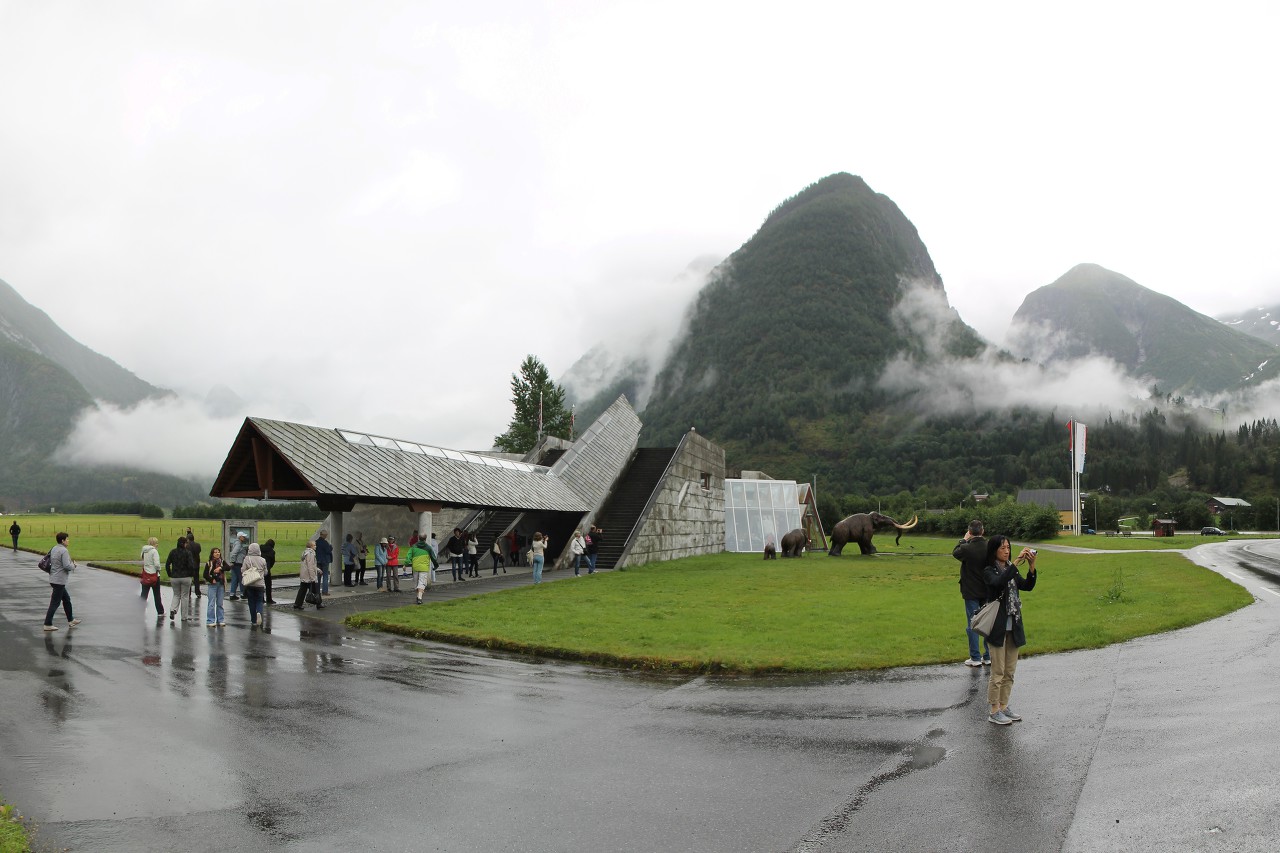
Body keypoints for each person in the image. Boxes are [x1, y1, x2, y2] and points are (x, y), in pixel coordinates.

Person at [983, 535, 1038, 726]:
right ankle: (994, 710)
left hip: (1013, 625)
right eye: (1002, 548)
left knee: (1009, 671)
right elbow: (998, 583)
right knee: (997, 672)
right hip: (996, 627)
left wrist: (1031, 567)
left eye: (1008, 547)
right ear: (994, 551)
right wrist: (1014, 564)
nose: (1006, 551)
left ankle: (1004, 706)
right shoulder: (989, 570)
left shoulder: (1010, 570)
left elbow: (1027, 586)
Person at [952, 519, 990, 667]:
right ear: (982, 531)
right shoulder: (989, 546)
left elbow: (955, 552)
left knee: (972, 623)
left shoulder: (966, 548)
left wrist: (963, 539)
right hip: (987, 589)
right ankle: (988, 656)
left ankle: (975, 657)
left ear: (969, 531)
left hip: (971, 590)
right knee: (987, 622)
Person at [43, 532, 80, 631]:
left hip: (53, 578)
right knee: (55, 603)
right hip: (59, 580)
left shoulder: (54, 548)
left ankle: (71, 620)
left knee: (66, 599)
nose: (68, 541)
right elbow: (66, 566)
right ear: (63, 541)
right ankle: (47, 624)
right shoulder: (64, 551)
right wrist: (74, 565)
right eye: (67, 539)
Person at [165, 536, 198, 623]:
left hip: (174, 576)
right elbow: (191, 565)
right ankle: (184, 616)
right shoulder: (188, 553)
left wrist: (170, 574)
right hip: (186, 577)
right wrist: (192, 575)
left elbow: (167, 564)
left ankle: (173, 609)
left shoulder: (172, 552)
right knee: (184, 596)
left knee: (176, 595)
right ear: (184, 544)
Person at [406, 535, 440, 605]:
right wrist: (436, 565)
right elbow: (433, 558)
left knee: (416, 582)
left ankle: (418, 596)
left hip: (415, 567)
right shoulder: (428, 548)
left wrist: (406, 563)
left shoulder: (414, 546)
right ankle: (419, 598)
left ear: (418, 538)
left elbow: (408, 555)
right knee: (422, 583)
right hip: (424, 568)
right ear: (425, 539)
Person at [242, 542, 269, 627]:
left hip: (250, 583)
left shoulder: (247, 559)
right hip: (260, 584)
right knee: (259, 600)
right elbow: (266, 572)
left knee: (251, 601)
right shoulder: (262, 560)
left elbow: (243, 570)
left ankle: (253, 620)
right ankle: (259, 612)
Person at [293, 540, 323, 609]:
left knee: (302, 589)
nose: (316, 546)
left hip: (304, 575)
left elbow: (308, 565)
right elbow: (310, 566)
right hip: (309, 576)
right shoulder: (311, 554)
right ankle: (318, 603)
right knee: (315, 589)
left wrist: (318, 569)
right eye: (314, 545)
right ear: (311, 546)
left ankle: (297, 604)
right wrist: (313, 578)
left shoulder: (305, 552)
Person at [140, 536, 165, 617]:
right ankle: (160, 611)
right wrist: (159, 569)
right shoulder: (154, 551)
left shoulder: (144, 551)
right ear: (155, 544)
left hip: (146, 573)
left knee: (144, 594)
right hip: (154, 574)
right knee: (157, 594)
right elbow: (157, 564)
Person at [204, 547, 226, 627]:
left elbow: (228, 567)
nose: (217, 553)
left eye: (218, 552)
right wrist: (211, 580)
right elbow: (205, 574)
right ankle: (210, 620)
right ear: (212, 554)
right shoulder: (209, 563)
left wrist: (221, 568)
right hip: (212, 585)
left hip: (220, 584)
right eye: (215, 552)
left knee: (220, 603)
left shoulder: (222, 562)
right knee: (211, 603)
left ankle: (220, 619)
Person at [228, 532, 249, 601]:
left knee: (235, 579)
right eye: (243, 536)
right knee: (241, 579)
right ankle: (243, 593)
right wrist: (233, 561)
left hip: (235, 564)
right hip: (238, 563)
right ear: (240, 537)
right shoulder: (238, 544)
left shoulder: (236, 543)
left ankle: (232, 594)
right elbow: (234, 553)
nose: (244, 538)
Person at [315, 530, 333, 595]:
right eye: (326, 535)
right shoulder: (325, 543)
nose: (326, 536)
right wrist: (331, 547)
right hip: (325, 561)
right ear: (324, 535)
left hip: (318, 560)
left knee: (318, 576)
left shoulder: (316, 542)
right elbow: (328, 551)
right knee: (325, 576)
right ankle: (325, 591)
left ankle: (317, 591)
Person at [261, 538, 277, 604]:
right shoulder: (272, 551)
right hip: (267, 568)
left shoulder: (260, 548)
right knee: (268, 585)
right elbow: (273, 561)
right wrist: (269, 567)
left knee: (260, 584)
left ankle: (261, 598)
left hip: (259, 568)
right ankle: (269, 599)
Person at [187, 533, 203, 599]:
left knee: (189, 579)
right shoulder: (198, 545)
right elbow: (199, 551)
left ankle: (189, 593)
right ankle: (198, 592)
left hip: (189, 564)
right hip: (196, 563)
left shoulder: (187, 546)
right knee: (196, 579)